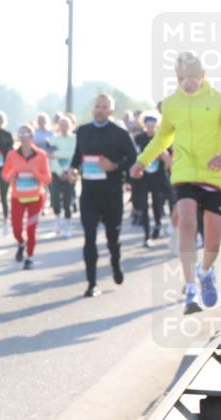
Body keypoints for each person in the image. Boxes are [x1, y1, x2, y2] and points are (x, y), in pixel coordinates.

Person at [131, 51, 221, 313]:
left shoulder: (217, 100)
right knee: (187, 221)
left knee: (214, 242)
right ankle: (190, 286)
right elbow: (162, 139)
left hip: (214, 175)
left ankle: (205, 271)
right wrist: (141, 161)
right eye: (182, 77)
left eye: (193, 76)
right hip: (184, 173)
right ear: (177, 78)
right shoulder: (171, 104)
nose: (188, 82)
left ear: (203, 75)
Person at [69, 93, 137, 297]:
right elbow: (77, 156)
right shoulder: (83, 131)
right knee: (89, 237)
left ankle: (115, 263)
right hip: (89, 193)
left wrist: (114, 166)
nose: (100, 109)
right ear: (93, 109)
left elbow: (134, 158)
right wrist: (73, 170)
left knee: (112, 239)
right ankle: (92, 283)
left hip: (112, 192)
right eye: (97, 106)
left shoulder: (119, 133)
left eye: (104, 106)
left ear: (111, 111)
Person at [2, 125, 52, 269]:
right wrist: (11, 176)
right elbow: (5, 175)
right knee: (16, 229)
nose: (24, 137)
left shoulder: (41, 155)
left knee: (31, 230)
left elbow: (48, 179)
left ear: (32, 137)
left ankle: (29, 257)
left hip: (35, 198)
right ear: (18, 137)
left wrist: (35, 173)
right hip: (17, 197)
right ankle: (20, 243)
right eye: (21, 134)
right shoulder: (12, 154)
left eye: (27, 134)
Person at [131, 113, 171, 247]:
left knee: (157, 203)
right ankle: (146, 235)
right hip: (143, 176)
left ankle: (158, 225)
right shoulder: (138, 138)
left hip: (158, 176)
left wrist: (163, 158)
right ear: (144, 123)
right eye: (148, 121)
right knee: (143, 204)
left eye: (153, 121)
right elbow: (133, 155)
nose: (150, 123)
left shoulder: (161, 138)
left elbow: (168, 160)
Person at [49, 115, 77, 238]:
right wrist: (60, 172)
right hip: (56, 172)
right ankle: (57, 220)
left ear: (70, 125)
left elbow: (73, 154)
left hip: (70, 171)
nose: (63, 127)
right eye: (61, 124)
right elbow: (51, 157)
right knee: (55, 198)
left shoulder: (75, 138)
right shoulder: (54, 139)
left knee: (67, 200)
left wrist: (59, 155)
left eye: (66, 124)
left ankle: (67, 224)